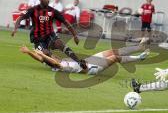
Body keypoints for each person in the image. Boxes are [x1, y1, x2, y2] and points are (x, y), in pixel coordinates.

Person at [11, 0, 86, 69]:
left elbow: (65, 22)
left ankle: (78, 61)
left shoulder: (52, 11)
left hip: (49, 35)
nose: (46, 0)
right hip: (38, 39)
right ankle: (54, 62)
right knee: (45, 54)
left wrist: (75, 35)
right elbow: (20, 18)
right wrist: (15, 28)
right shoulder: (33, 10)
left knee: (60, 44)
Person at [20, 38, 150, 75]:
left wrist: (29, 52)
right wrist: (41, 53)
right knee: (115, 57)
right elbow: (46, 59)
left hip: (89, 60)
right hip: (92, 67)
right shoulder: (59, 65)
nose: (50, 52)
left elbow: (41, 59)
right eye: (49, 53)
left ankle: (139, 47)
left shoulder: (52, 60)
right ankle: (139, 57)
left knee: (112, 51)